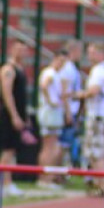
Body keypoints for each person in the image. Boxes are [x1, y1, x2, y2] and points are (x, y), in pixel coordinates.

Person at [71, 42, 104, 196]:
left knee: (96, 153)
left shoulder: (99, 70)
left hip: (98, 117)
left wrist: (77, 94)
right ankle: (100, 184)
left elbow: (93, 91)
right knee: (99, 152)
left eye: (91, 53)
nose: (89, 56)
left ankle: (101, 186)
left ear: (100, 53)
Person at [0, 39, 33, 197]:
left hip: (18, 114)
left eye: (24, 50)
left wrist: (24, 116)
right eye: (18, 49)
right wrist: (14, 116)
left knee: (12, 150)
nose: (21, 53)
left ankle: (7, 182)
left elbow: (21, 96)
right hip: (9, 115)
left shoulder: (21, 69)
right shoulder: (8, 70)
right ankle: (4, 184)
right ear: (12, 50)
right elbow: (7, 93)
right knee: (7, 149)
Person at [35, 49, 68, 190]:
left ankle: (48, 177)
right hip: (50, 113)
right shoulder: (50, 73)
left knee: (51, 145)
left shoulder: (55, 74)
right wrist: (50, 101)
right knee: (50, 145)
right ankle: (46, 178)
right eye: (60, 61)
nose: (62, 64)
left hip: (52, 112)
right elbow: (44, 85)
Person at [57, 39, 84, 167]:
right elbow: (64, 92)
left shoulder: (71, 68)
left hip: (72, 109)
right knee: (64, 144)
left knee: (67, 143)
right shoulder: (67, 68)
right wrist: (68, 112)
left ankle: (61, 171)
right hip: (68, 110)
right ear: (75, 50)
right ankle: (59, 172)